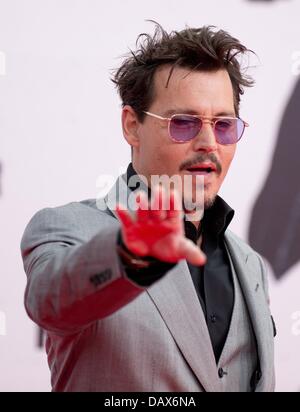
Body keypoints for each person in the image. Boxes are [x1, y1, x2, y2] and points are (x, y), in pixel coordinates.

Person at [21, 23, 275, 392]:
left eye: (223, 125)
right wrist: (128, 254)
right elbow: (49, 300)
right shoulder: (68, 227)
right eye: (184, 123)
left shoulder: (249, 262)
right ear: (132, 126)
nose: (209, 143)